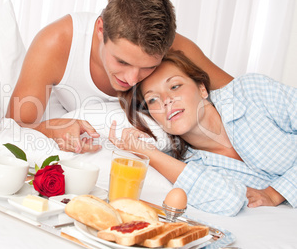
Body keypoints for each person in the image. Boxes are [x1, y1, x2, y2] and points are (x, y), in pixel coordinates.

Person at [6, 0, 233, 153]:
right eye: (122, 61)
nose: (133, 78)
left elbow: (237, 96)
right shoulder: (57, 42)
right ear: (100, 29)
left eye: (148, 67)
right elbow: (14, 126)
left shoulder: (174, 47)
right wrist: (50, 128)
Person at [109, 50, 297, 216]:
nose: (166, 100)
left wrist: (275, 193)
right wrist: (150, 154)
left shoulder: (250, 93)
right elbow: (230, 201)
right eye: (153, 99)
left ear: (202, 88)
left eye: (175, 86)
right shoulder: (189, 165)